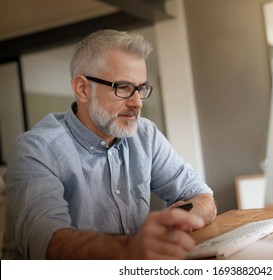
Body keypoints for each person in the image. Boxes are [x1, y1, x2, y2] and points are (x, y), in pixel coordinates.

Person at [2, 29, 217, 260]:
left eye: (140, 89)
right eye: (123, 88)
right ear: (83, 89)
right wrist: (129, 248)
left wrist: (182, 221)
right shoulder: (36, 150)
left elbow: (201, 195)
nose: (137, 103)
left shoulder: (145, 135)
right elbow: (46, 243)